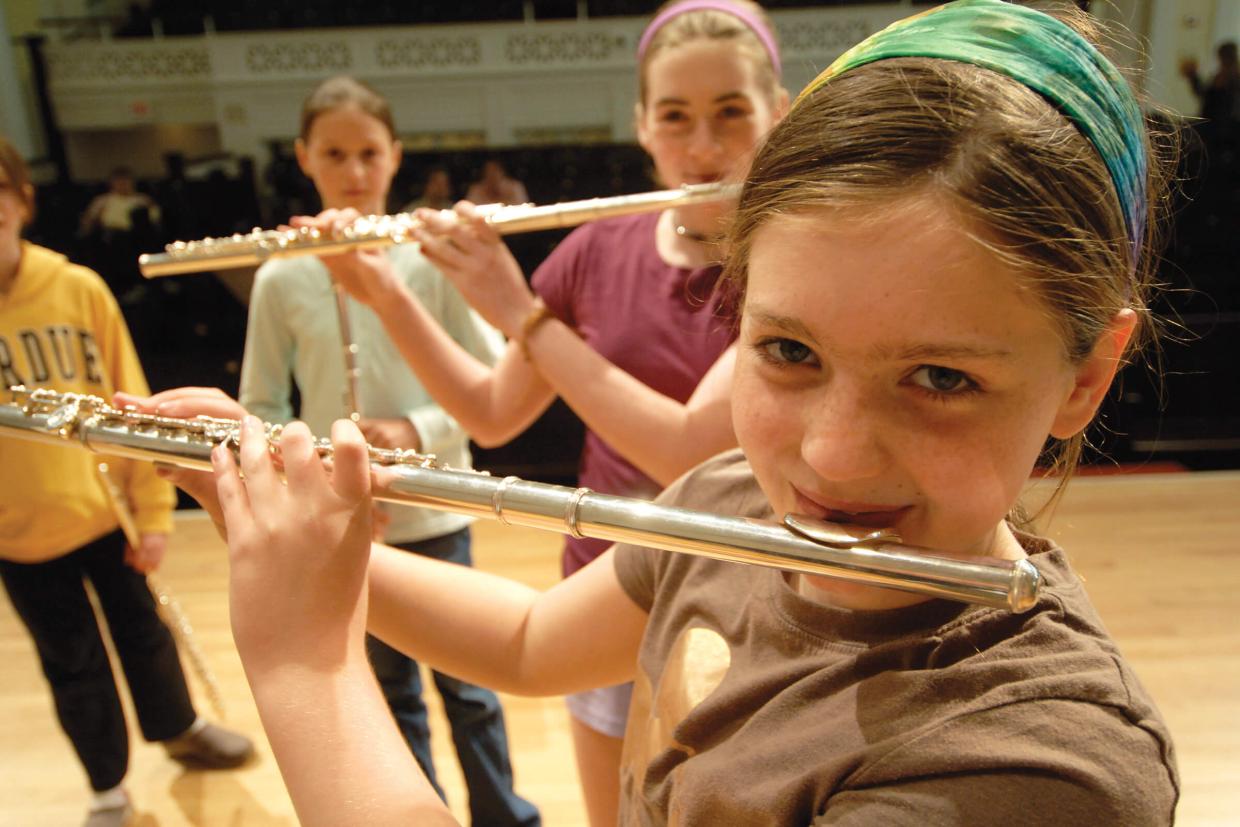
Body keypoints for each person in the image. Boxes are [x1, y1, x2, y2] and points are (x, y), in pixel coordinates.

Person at [130, 0, 1182, 823]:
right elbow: (533, 640)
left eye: (941, 377)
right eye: (787, 351)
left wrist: (304, 666)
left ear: (1086, 374)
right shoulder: (734, 496)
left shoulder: (1039, 766)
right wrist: (272, 522)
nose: (828, 456)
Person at [312, 4, 787, 821]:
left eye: (730, 113)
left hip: (747, 607)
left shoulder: (793, 260)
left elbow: (688, 454)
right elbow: (492, 413)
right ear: (642, 124)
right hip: (599, 590)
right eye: (674, 117)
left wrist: (520, 315)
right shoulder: (597, 248)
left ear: (777, 112)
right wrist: (386, 294)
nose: (702, 149)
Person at [237, 76, 538, 827]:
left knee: (470, 689)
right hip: (342, 525)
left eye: (369, 152)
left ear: (395, 156)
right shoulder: (280, 277)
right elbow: (262, 409)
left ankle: (504, 816)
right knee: (388, 692)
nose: (355, 171)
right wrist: (315, 476)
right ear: (305, 158)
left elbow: (495, 382)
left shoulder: (428, 260)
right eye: (334, 153)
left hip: (434, 506)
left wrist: (413, 430)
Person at [0, 137, 253, 827]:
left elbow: (131, 399)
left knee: (145, 634)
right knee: (72, 662)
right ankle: (107, 784)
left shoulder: (76, 286)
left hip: (104, 511)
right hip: (16, 537)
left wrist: (154, 515)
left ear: (22, 199)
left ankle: (177, 727)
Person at [1179, 41, 1240, 123]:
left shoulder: (1232, 77)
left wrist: (1193, 77)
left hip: (1222, 127)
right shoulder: (1220, 76)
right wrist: (1193, 77)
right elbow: (1205, 94)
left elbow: (1207, 96)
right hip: (1214, 123)